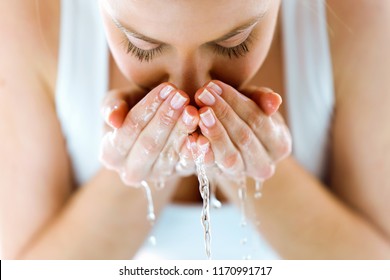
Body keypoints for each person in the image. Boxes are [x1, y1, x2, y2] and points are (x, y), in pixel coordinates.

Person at [0, 0, 389, 260]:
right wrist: (142, 171)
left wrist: (247, 166)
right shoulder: (27, 20)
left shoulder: (363, 15)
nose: (190, 91)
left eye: (234, 43)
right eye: (141, 46)